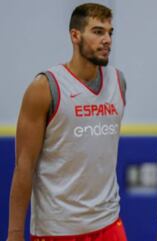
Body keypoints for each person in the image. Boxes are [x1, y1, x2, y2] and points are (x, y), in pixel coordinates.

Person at [7, 3, 127, 241]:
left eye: (110, 32)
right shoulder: (44, 87)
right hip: (57, 229)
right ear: (75, 35)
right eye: (97, 31)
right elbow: (24, 166)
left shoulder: (118, 81)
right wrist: (14, 234)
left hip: (109, 222)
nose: (107, 40)